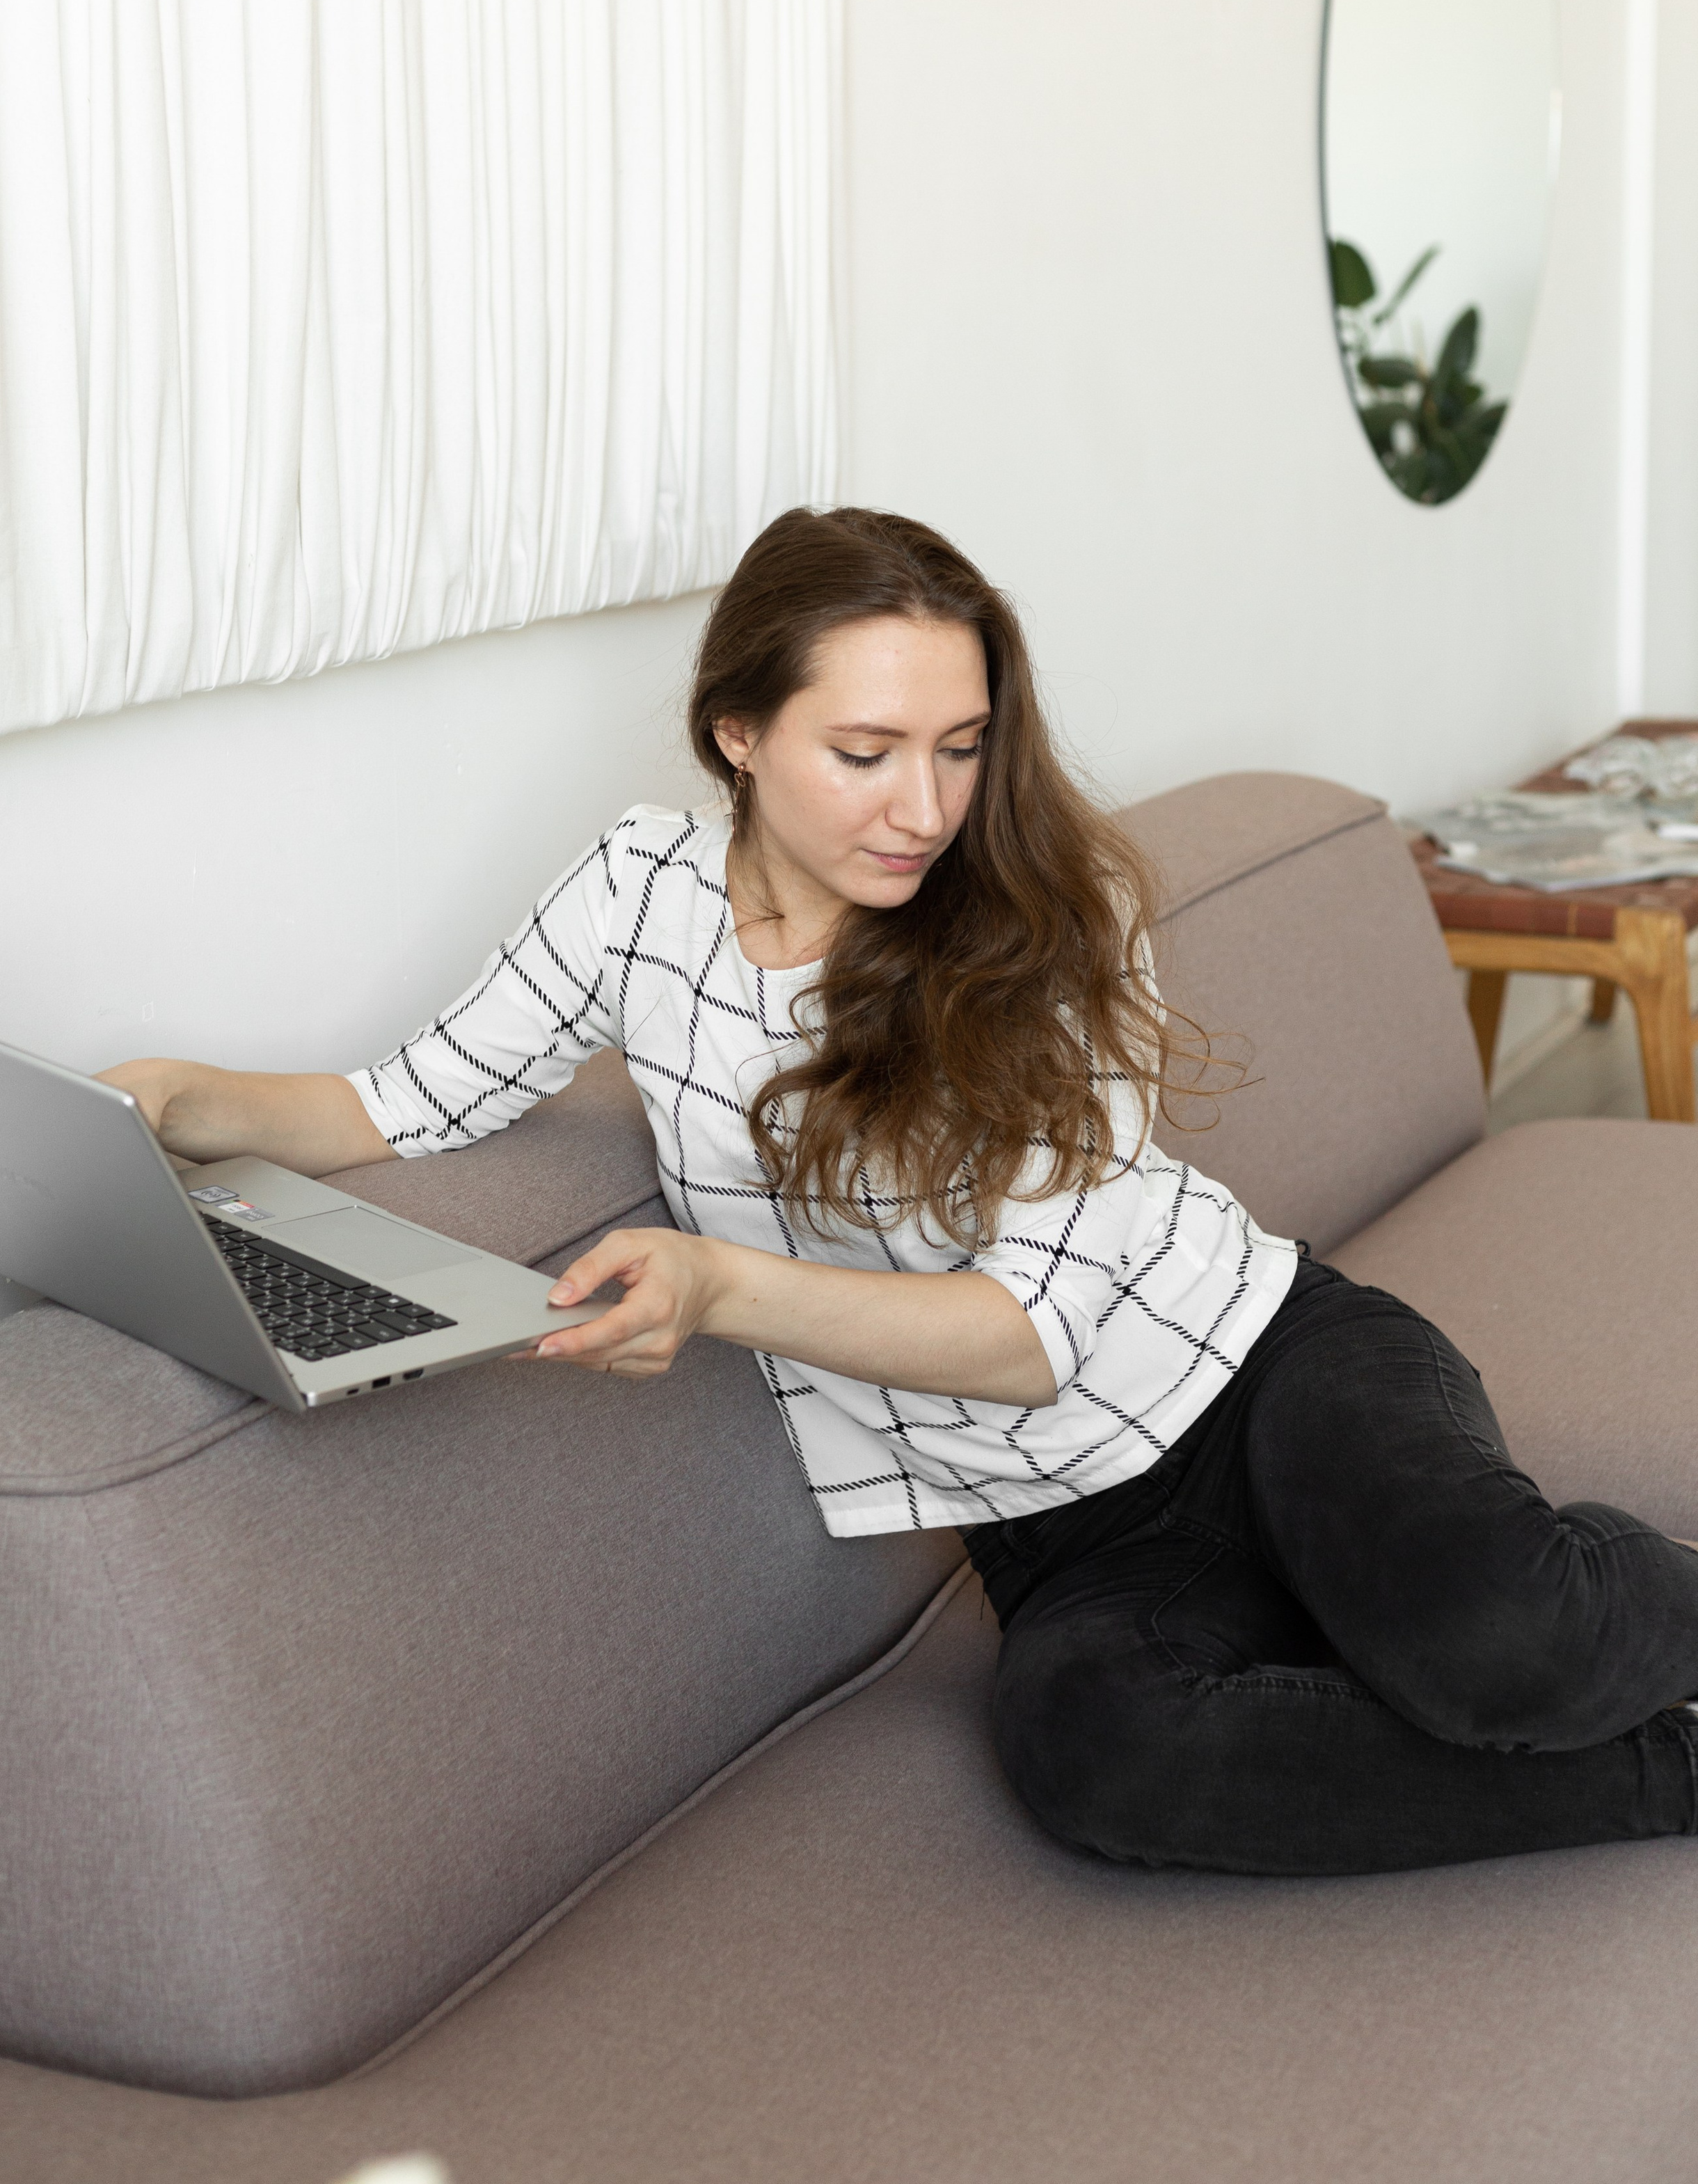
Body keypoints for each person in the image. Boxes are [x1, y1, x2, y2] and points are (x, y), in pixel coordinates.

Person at [104, 505, 1698, 1877]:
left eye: (958, 746)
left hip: (1267, 1374)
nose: (925, 809)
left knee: (1498, 1642)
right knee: (1093, 1759)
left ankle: (1506, 1616)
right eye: (863, 754)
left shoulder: (1052, 923)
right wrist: (181, 1099)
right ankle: (1662, 1773)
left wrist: (721, 1287)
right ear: (736, 734)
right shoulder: (635, 898)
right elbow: (405, 1097)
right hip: (1063, 1534)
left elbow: (1030, 1337)